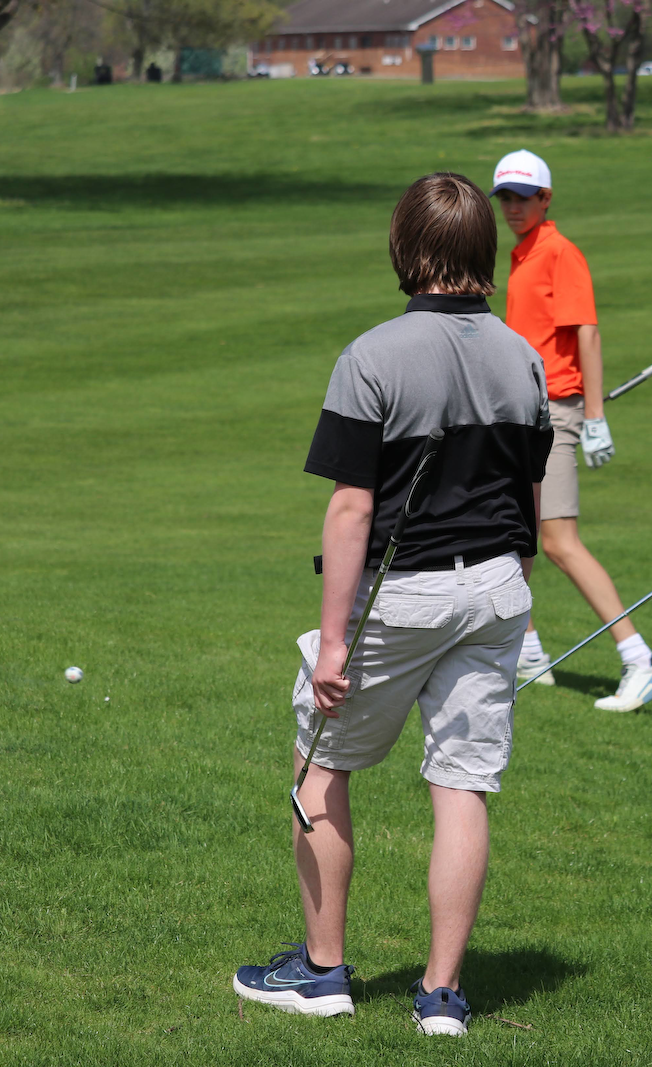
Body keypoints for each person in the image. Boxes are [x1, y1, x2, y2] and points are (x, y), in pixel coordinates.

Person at [232, 173, 554, 1037]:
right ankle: (441, 995)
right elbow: (528, 502)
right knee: (462, 785)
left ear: (408, 249)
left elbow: (351, 508)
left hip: (403, 593)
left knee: (319, 766)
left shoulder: (372, 355)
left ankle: (322, 973)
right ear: (483, 250)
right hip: (496, 588)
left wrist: (333, 642)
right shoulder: (522, 356)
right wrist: (515, 589)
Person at [490, 148, 652, 712]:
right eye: (505, 197)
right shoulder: (523, 254)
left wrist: (594, 417)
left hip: (555, 413)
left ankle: (640, 659)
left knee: (558, 541)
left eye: (523, 197)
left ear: (545, 198)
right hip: (524, 415)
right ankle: (526, 652)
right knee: (509, 535)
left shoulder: (559, 252)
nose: (513, 207)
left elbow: (587, 334)